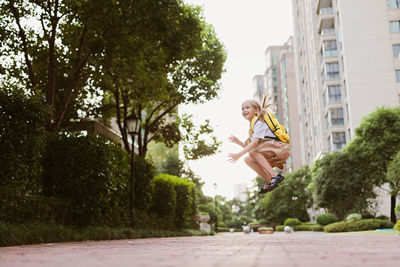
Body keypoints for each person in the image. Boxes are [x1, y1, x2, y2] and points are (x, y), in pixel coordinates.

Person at [228, 96, 290, 194]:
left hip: (280, 148)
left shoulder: (259, 122)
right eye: (242, 109)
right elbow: (252, 150)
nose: (244, 110)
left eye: (247, 108)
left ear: (256, 110)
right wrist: (239, 142)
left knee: (251, 151)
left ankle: (275, 175)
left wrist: (238, 155)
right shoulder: (252, 126)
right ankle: (270, 181)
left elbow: (254, 144)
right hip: (273, 149)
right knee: (248, 159)